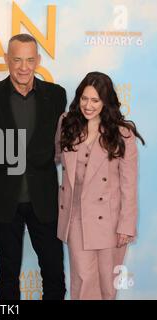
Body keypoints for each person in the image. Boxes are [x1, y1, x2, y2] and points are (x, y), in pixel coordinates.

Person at [0, 34, 66, 300]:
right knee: (7, 274)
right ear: (6, 60)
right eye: (17, 59)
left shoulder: (56, 95)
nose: (23, 67)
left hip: (45, 201)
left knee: (53, 272)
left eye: (29, 60)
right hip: (5, 201)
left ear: (38, 60)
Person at [55, 71, 144, 300]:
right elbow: (56, 156)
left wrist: (126, 225)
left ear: (106, 102)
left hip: (110, 221)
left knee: (107, 285)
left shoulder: (123, 133)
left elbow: (128, 185)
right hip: (76, 217)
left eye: (95, 100)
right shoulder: (67, 123)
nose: (88, 105)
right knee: (83, 280)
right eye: (84, 98)